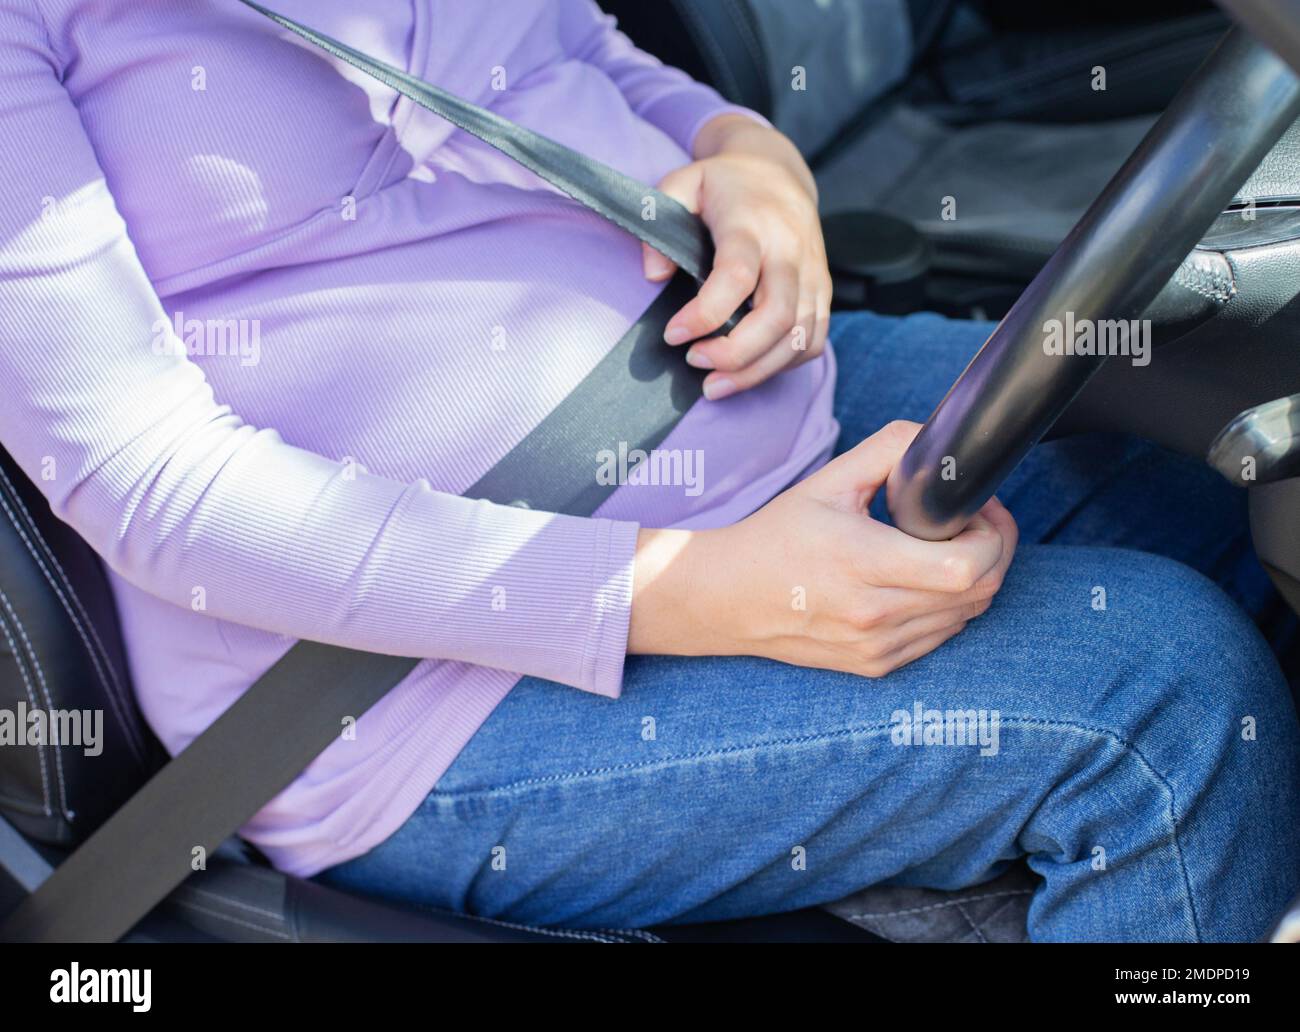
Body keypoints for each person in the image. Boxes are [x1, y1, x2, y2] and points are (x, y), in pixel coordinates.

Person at [0, 0, 1295, 941]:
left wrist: (749, 159)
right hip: (401, 696)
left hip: (730, 395)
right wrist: (699, 587)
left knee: (1192, 490)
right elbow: (151, 480)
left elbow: (579, 55)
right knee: (1160, 701)